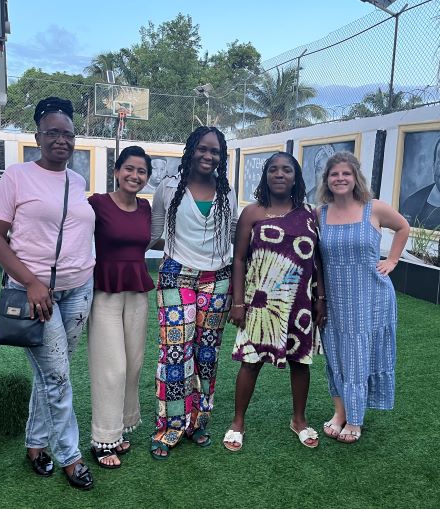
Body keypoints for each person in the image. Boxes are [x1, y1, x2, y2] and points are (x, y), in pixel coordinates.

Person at [0, 97, 96, 489]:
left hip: (80, 290)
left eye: (68, 134)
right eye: (53, 133)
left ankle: (35, 444)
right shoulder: (17, 176)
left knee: (50, 375)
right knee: (59, 377)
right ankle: (71, 455)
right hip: (37, 296)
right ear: (38, 137)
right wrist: (30, 282)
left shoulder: (77, 180)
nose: (61, 140)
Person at [223, 152, 326, 452]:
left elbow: (318, 258)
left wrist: (320, 298)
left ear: (296, 177)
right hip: (260, 302)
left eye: (287, 170)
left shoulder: (310, 214)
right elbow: (239, 259)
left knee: (300, 363)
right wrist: (238, 302)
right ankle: (238, 422)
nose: (280, 174)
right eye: (273, 170)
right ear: (265, 175)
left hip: (300, 303)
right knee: (250, 362)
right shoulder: (253, 213)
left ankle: (299, 420)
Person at [148, 126, 238, 459]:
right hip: (175, 276)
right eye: (202, 149)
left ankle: (197, 423)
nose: (208, 155)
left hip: (218, 279)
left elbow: (231, 240)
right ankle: (169, 427)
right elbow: (155, 232)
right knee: (174, 351)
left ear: (221, 156)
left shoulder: (227, 193)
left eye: (215, 151)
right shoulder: (169, 188)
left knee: (207, 354)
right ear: (191, 150)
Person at [317, 151, 409, 444]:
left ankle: (355, 419)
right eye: (334, 174)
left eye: (346, 173)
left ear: (356, 177)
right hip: (333, 298)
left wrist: (392, 260)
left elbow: (403, 227)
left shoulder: (374, 208)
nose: (340, 179)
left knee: (357, 356)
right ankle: (339, 413)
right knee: (335, 356)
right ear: (327, 180)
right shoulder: (319, 213)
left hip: (369, 298)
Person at [86, 146, 155, 469]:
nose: (135, 176)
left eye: (141, 171)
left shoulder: (145, 208)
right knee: (110, 366)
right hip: (105, 292)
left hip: (137, 292)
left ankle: (123, 424)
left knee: (133, 363)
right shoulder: (97, 203)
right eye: (129, 169)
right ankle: (104, 439)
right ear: (116, 171)